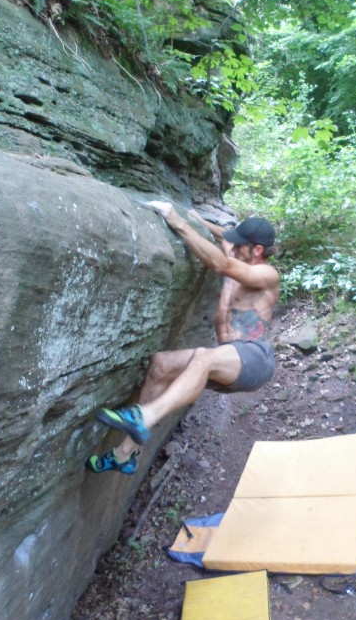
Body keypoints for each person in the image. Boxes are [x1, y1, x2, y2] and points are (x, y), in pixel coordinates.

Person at [86, 201, 280, 475]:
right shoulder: (238, 254)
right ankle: (123, 455)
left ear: (257, 250)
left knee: (203, 357)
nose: (234, 246)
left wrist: (177, 220)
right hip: (228, 359)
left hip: (255, 358)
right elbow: (223, 237)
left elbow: (219, 263)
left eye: (240, 244)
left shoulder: (266, 274)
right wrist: (196, 217)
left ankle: (144, 416)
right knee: (161, 365)